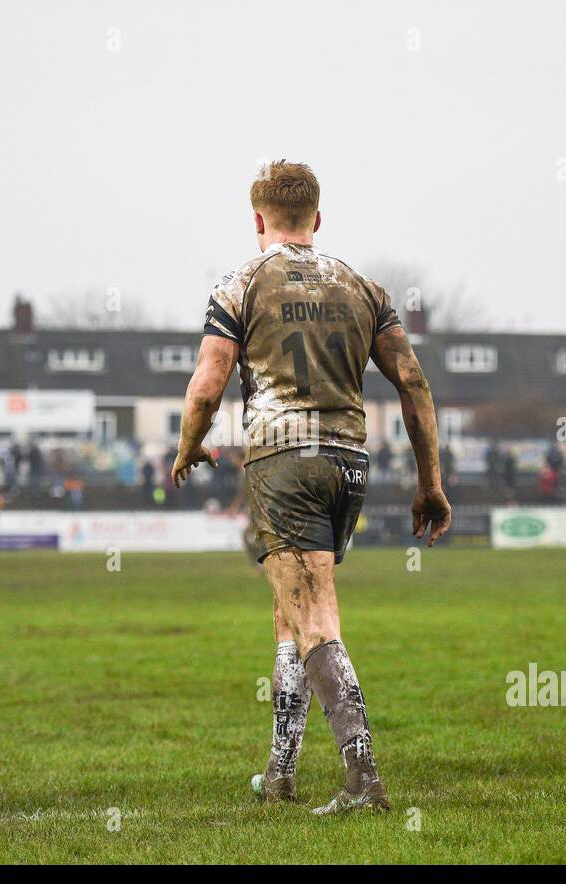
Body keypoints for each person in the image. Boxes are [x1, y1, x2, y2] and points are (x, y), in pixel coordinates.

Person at [171, 160, 450, 815]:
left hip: (284, 459)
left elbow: (208, 382)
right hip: (349, 462)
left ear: (259, 219)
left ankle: (363, 780)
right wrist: (430, 482)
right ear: (316, 220)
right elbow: (412, 381)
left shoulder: (242, 282)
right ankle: (281, 770)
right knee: (291, 610)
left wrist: (189, 446)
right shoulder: (363, 287)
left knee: (315, 614)